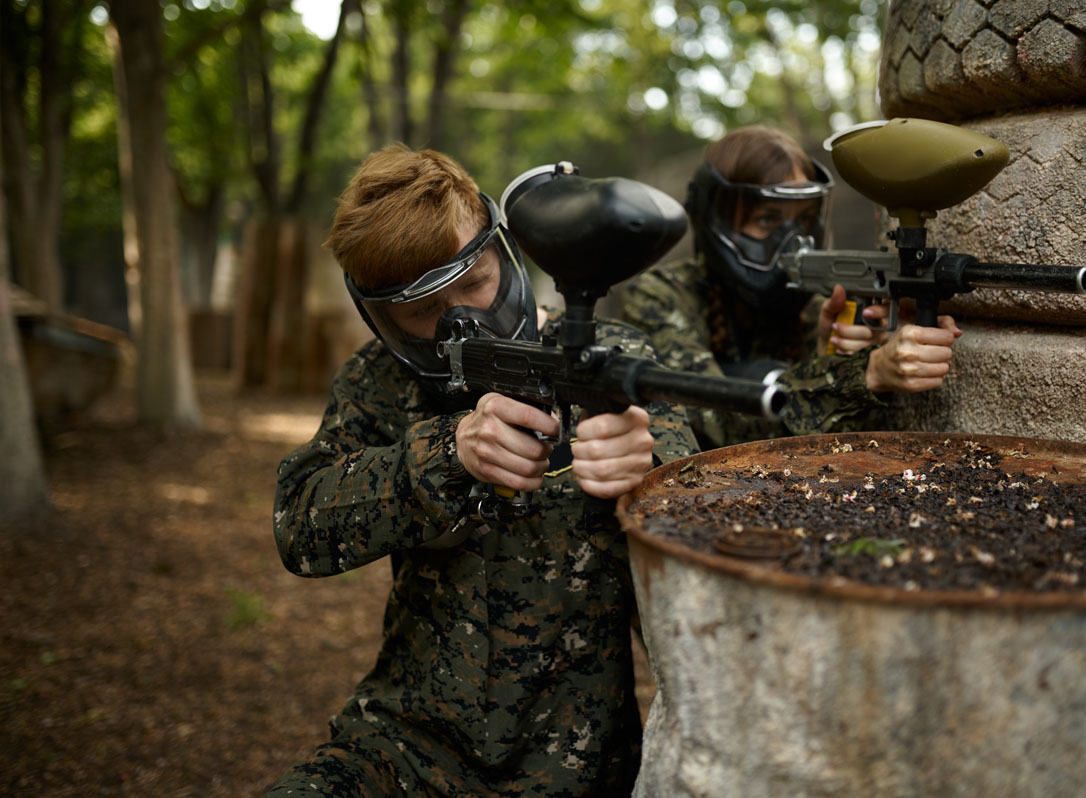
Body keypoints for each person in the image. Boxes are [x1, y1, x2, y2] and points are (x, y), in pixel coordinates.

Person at [265, 144, 697, 797]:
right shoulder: (378, 381)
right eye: (422, 311)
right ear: (381, 318)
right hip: (403, 750)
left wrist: (648, 469)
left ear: (506, 253)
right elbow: (299, 522)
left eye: (473, 284)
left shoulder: (614, 359)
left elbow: (704, 513)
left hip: (577, 768)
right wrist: (442, 454)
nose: (461, 318)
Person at [618, 124, 961, 450]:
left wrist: (834, 356)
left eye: (803, 220)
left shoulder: (815, 306)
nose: (793, 241)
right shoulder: (659, 297)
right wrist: (865, 373)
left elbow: (837, 444)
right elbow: (712, 426)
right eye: (767, 219)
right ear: (716, 220)